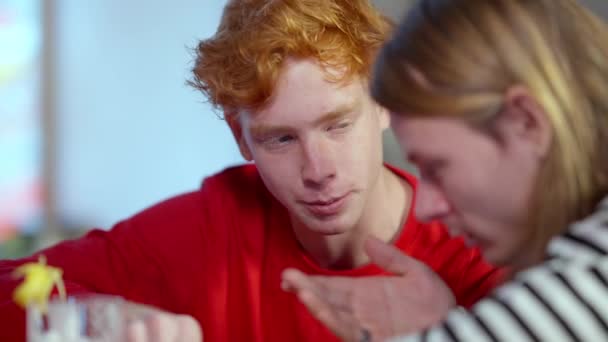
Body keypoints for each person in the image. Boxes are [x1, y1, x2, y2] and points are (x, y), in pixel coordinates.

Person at [0, 1, 505, 341]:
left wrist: (451, 329)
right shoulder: (216, 222)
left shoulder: (477, 249)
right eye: (281, 138)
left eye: (338, 125)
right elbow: (12, 284)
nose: (318, 171)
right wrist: (103, 320)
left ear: (383, 102)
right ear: (241, 137)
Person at [281, 0, 608, 341]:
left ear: (526, 121)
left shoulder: (583, 283)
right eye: (282, 138)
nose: (426, 208)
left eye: (438, 167)